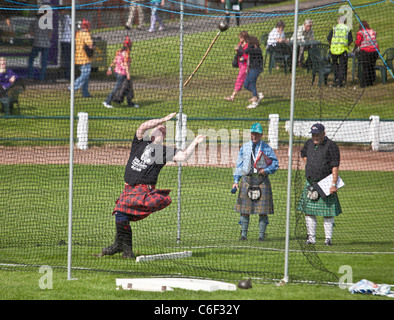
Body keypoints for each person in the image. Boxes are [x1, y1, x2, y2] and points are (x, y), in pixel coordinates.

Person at [96, 113, 206, 258]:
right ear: (152, 133)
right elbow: (142, 127)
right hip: (129, 188)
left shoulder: (164, 151)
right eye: (159, 129)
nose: (162, 129)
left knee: (121, 211)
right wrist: (162, 120)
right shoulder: (140, 142)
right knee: (120, 213)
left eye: (164, 131)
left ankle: (120, 246)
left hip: (143, 191)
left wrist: (195, 142)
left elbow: (184, 156)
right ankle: (125, 249)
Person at [232, 123, 279, 241]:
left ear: (261, 135)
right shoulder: (245, 147)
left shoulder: (267, 148)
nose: (254, 136)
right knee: (244, 210)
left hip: (261, 180)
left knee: (263, 211)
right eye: (253, 133)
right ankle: (243, 235)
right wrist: (236, 180)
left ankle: (261, 236)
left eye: (257, 134)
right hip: (247, 179)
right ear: (250, 134)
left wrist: (266, 170)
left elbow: (275, 164)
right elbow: (239, 164)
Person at [297, 123, 342, 246]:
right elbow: (303, 154)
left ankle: (328, 239)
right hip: (311, 183)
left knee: (327, 212)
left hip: (325, 183)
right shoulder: (309, 143)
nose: (315, 137)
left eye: (317, 134)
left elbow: (335, 165)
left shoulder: (331, 146)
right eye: (313, 134)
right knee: (309, 211)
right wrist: (310, 165)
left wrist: (333, 183)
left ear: (324, 133)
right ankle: (311, 238)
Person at [103, 36, 139, 108]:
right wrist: (128, 75)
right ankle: (107, 101)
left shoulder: (119, 51)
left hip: (117, 72)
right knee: (117, 88)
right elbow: (126, 64)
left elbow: (114, 60)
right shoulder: (126, 53)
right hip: (122, 74)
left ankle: (130, 103)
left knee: (128, 89)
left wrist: (110, 68)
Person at [327, 16, 353, 88]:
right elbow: (350, 40)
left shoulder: (334, 28)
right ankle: (340, 82)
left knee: (335, 65)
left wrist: (332, 45)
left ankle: (336, 79)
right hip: (342, 50)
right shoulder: (347, 29)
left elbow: (328, 38)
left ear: (338, 20)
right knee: (342, 66)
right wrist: (346, 45)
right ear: (345, 21)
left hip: (334, 49)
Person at [224, 31, 249, 102]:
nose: (240, 38)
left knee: (239, 80)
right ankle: (257, 95)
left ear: (245, 37)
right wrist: (237, 50)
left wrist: (243, 58)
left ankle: (232, 97)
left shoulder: (248, 45)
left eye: (241, 37)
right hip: (241, 64)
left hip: (245, 65)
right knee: (248, 81)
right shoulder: (240, 44)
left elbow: (247, 55)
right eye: (239, 37)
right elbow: (239, 53)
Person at [27, 11, 52, 81]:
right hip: (46, 44)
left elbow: (31, 34)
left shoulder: (34, 22)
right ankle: (41, 78)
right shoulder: (48, 22)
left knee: (31, 60)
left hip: (37, 44)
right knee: (43, 63)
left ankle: (30, 77)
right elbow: (50, 35)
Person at [354, 21, 379, 88]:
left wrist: (354, 50)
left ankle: (364, 84)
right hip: (375, 52)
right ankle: (371, 81)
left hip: (366, 52)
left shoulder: (360, 33)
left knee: (365, 68)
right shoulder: (372, 31)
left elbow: (357, 43)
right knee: (371, 66)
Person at [73, 18, 94, 98]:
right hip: (85, 59)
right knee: (84, 75)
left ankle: (85, 93)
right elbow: (90, 46)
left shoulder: (78, 33)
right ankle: (73, 87)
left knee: (86, 77)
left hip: (78, 58)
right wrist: (94, 46)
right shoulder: (86, 34)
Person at [243, 36, 264, 109]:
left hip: (256, 69)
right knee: (246, 85)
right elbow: (246, 51)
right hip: (251, 69)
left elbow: (248, 51)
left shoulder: (257, 50)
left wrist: (250, 47)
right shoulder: (251, 49)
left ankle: (254, 101)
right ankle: (258, 94)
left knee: (252, 83)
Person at [59, 7, 72, 81]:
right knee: (65, 59)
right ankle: (66, 75)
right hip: (64, 41)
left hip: (67, 41)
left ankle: (68, 76)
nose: (60, 12)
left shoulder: (67, 17)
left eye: (61, 10)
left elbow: (72, 26)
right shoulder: (62, 18)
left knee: (67, 59)